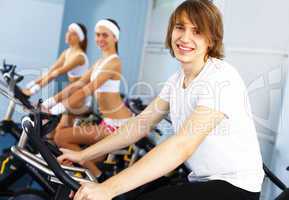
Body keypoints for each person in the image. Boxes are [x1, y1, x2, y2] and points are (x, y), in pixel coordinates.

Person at [58, 1, 264, 200]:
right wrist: (84, 155)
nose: (185, 38)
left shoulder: (220, 77)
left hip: (236, 187)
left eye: (197, 31)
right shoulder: (176, 81)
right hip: (200, 178)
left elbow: (182, 145)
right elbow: (139, 124)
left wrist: (107, 189)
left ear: (211, 39)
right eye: (180, 27)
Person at [43, 18, 133, 177]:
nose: (100, 39)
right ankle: (88, 175)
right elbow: (77, 84)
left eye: (105, 35)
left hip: (120, 126)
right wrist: (50, 102)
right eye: (98, 35)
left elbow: (88, 89)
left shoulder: (114, 62)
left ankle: (99, 179)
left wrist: (58, 108)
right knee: (87, 155)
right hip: (108, 122)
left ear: (115, 38)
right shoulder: (100, 62)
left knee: (60, 137)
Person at [23, 23, 89, 96]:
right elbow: (51, 70)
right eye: (68, 31)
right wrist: (30, 85)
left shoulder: (79, 57)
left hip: (80, 95)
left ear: (80, 39)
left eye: (73, 34)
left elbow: (57, 72)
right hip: (72, 92)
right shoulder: (67, 52)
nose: (68, 35)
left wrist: (32, 91)